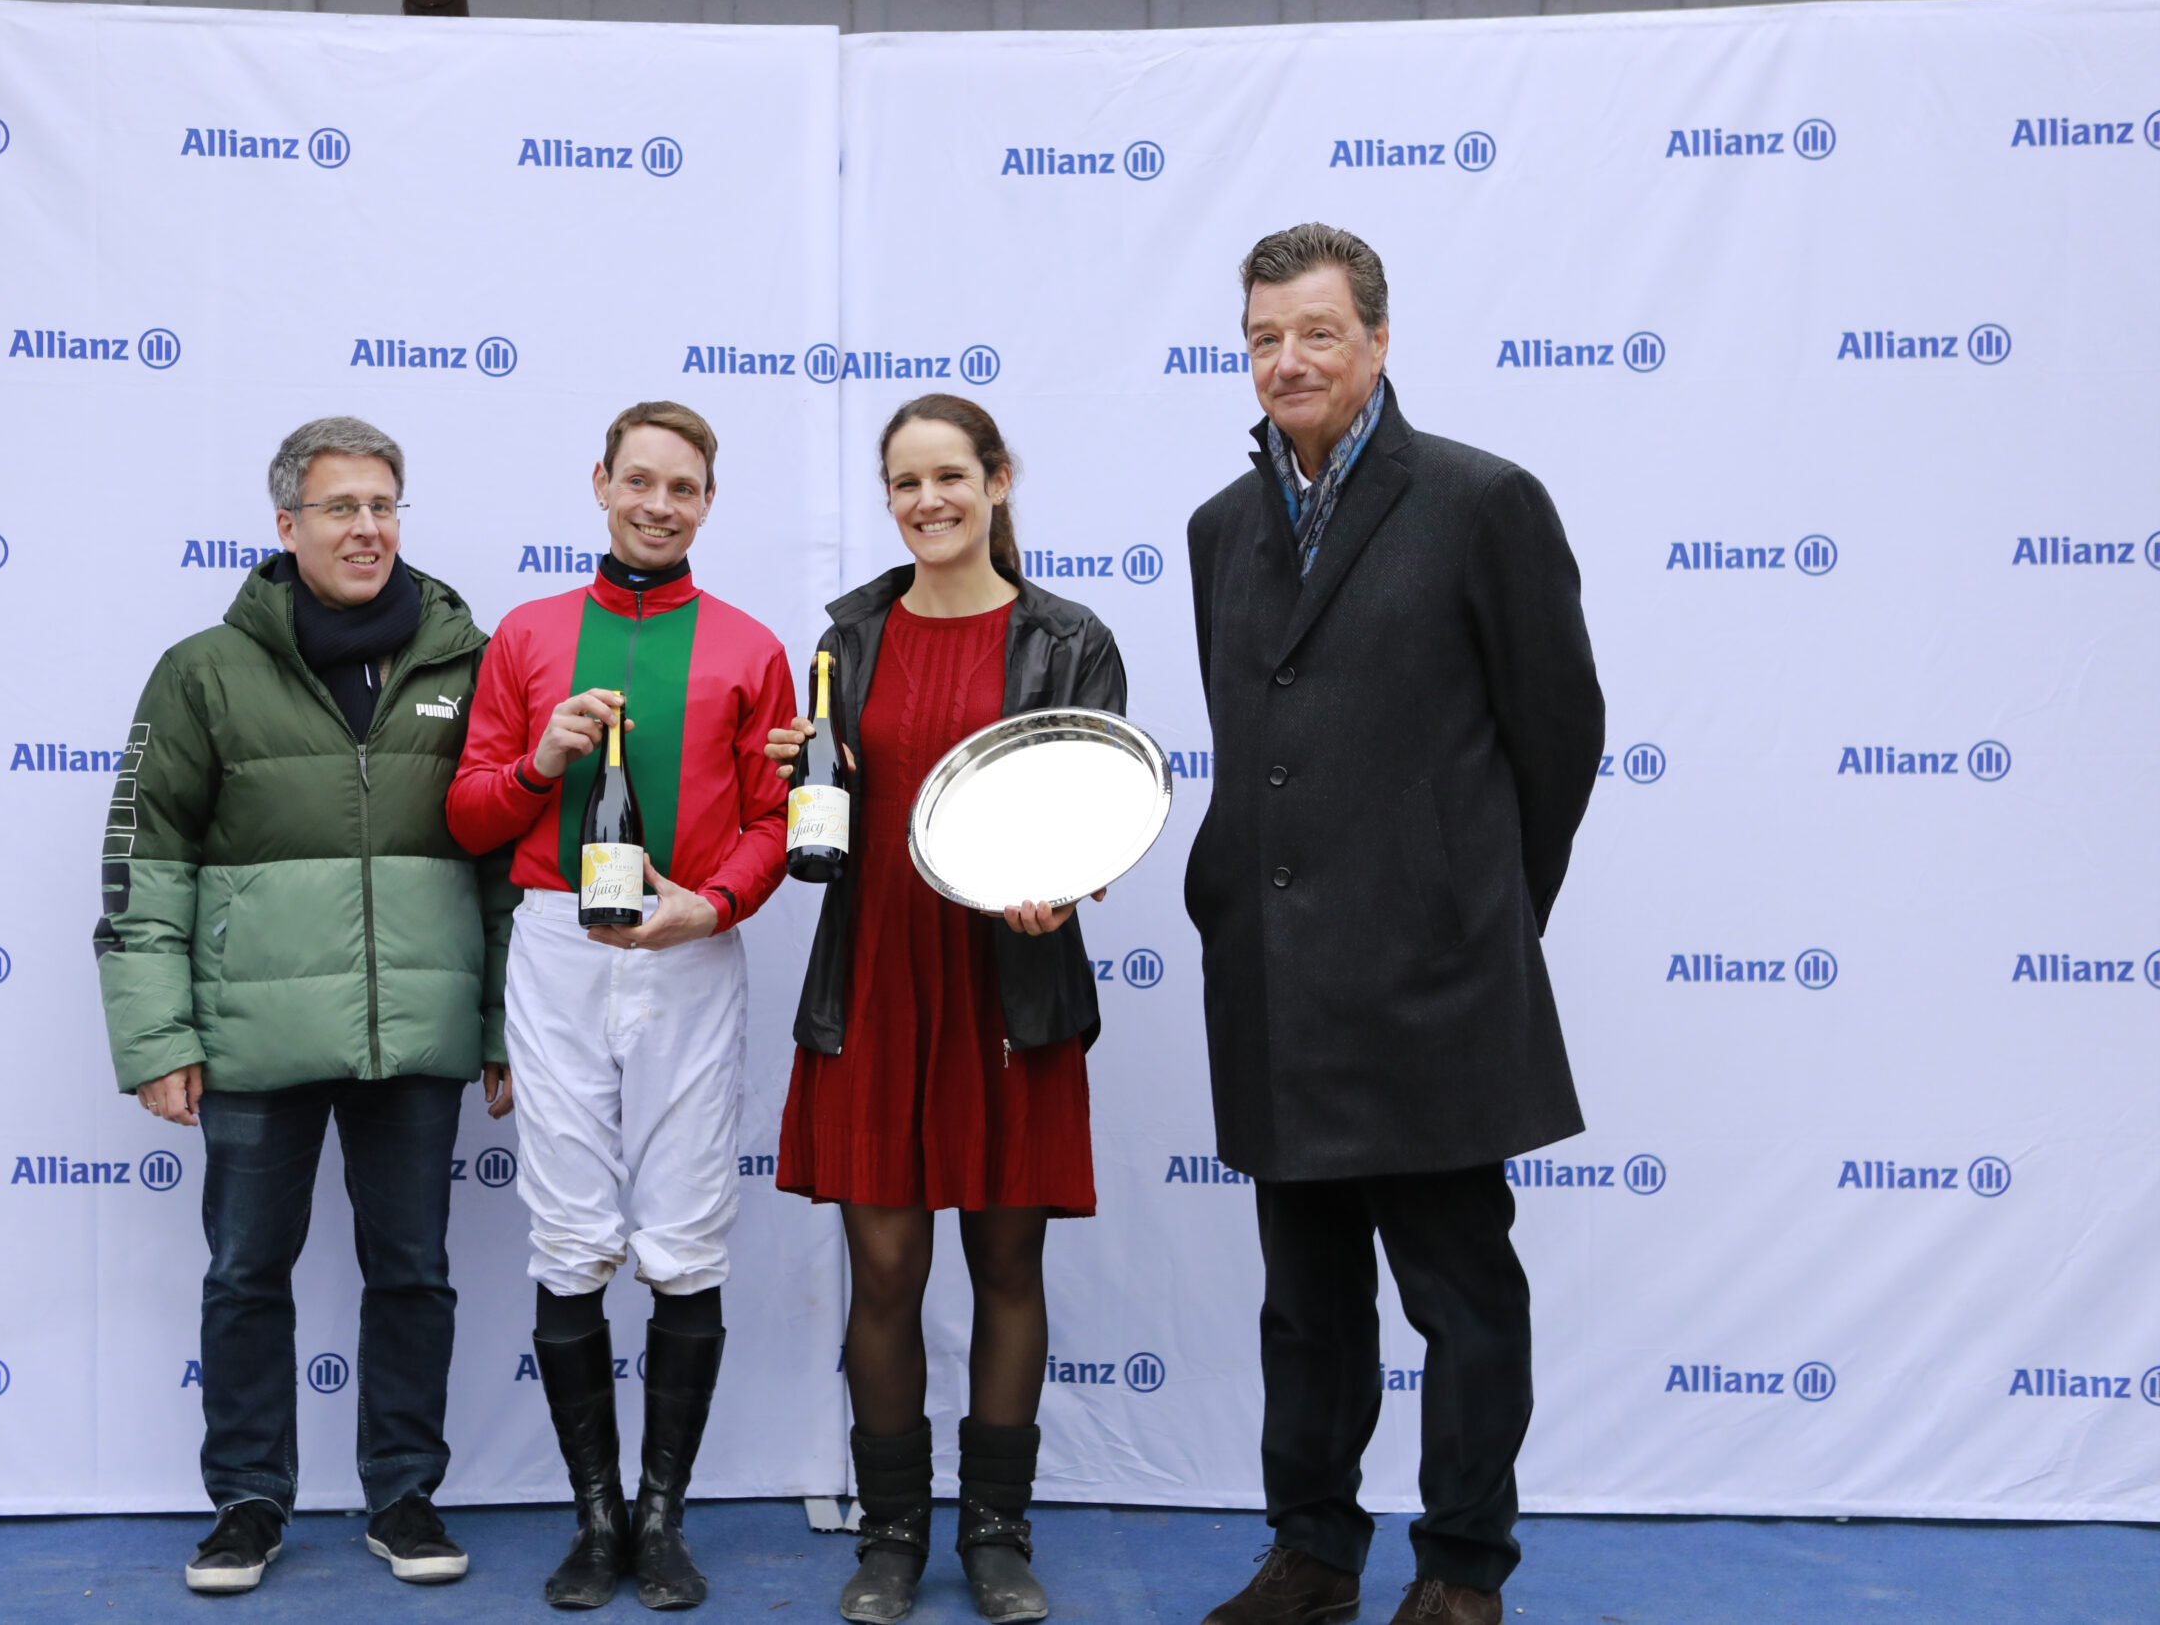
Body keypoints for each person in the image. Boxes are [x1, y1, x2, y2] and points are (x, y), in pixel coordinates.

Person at [1184, 225, 1604, 1625]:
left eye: (1314, 332)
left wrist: (1475, 913)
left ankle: (1462, 1568)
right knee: (1303, 1305)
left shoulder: (1486, 502)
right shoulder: (1219, 530)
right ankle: (1311, 1551)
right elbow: (1260, 746)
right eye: (1262, 337)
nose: (1286, 360)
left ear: (1376, 339)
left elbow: (1559, 735)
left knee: (1463, 1298)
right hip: (1274, 986)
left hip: (1433, 984)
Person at [94, 417, 509, 1595]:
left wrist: (497, 1029)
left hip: (417, 1034)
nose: (367, 529)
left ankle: (403, 1494)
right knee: (243, 1274)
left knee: (415, 1271)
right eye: (340, 508)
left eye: (384, 506)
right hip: (253, 1038)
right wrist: (158, 1036)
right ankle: (247, 1501)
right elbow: (145, 863)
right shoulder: (202, 672)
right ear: (287, 525)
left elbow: (503, 869)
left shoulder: (465, 662)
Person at [763, 395, 1125, 1625]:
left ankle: (997, 1535)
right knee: (882, 1272)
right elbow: (836, 809)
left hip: (1009, 986)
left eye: (950, 477)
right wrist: (808, 777)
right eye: (905, 483)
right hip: (874, 974)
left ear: (998, 480)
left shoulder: (1067, 638)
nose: (928, 502)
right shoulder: (845, 640)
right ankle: (890, 1537)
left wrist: (1065, 886)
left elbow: (1097, 806)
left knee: (1007, 1261)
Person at [447, 400, 794, 1612]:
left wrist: (714, 906)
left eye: (683, 488)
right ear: (599, 483)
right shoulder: (530, 636)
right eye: (638, 481)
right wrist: (542, 762)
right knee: (571, 1231)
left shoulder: (749, 647)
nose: (657, 505)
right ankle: (595, 1524)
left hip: (691, 951)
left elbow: (775, 822)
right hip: (555, 945)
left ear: (708, 502)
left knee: (687, 1235)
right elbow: (470, 815)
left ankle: (663, 1523)